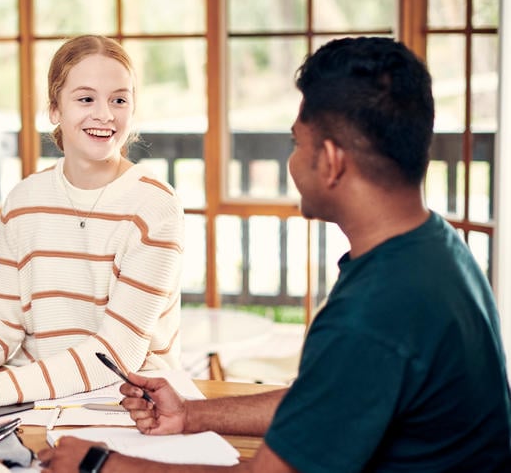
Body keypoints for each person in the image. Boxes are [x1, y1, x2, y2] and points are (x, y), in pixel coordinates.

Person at [38, 37, 511, 472]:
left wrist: (102, 465)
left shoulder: (377, 309)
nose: (291, 159)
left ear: (330, 161)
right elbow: (330, 398)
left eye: (295, 143)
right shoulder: (432, 248)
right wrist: (191, 414)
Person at [0, 35, 185, 410]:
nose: (105, 115)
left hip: (129, 408)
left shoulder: (155, 206)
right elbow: (1, 318)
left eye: (119, 100)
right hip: (32, 405)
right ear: (55, 110)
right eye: (86, 98)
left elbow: (118, 351)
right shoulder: (24, 200)